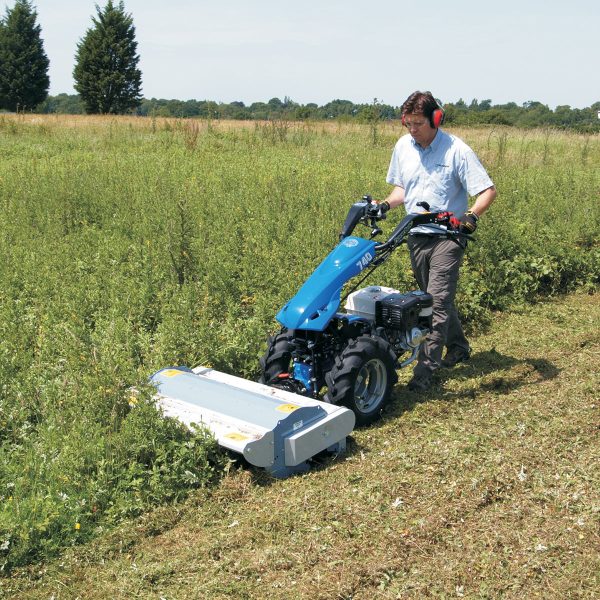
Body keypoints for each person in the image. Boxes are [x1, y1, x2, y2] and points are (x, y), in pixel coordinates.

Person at [378, 91, 496, 391]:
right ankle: (458, 346)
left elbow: (487, 191)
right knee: (432, 297)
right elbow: (401, 191)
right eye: (407, 123)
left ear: (435, 119)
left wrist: (471, 215)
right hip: (416, 235)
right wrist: (384, 205)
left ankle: (425, 373)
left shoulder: (457, 150)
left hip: (448, 237)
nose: (412, 129)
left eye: (418, 123)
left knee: (435, 302)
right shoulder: (403, 147)